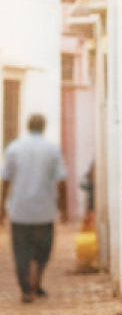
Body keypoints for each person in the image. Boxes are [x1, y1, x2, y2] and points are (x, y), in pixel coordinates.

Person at [0, 114, 67, 303]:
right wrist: (63, 208)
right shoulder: (52, 150)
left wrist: (1, 207)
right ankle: (36, 281)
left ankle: (26, 290)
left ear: (27, 127)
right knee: (43, 249)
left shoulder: (14, 148)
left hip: (19, 210)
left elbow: (5, 179)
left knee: (21, 251)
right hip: (44, 210)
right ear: (44, 127)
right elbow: (61, 180)